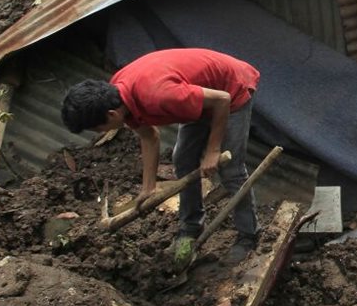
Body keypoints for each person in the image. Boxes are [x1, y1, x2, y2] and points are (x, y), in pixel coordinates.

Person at [61, 48, 261, 266]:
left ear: (112, 115)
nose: (100, 134)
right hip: (198, 96)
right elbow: (149, 137)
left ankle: (249, 236)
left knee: (231, 170)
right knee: (183, 159)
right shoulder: (119, 94)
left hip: (230, 90)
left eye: (99, 129)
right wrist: (148, 187)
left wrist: (213, 150)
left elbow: (222, 100)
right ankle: (191, 227)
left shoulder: (159, 95)